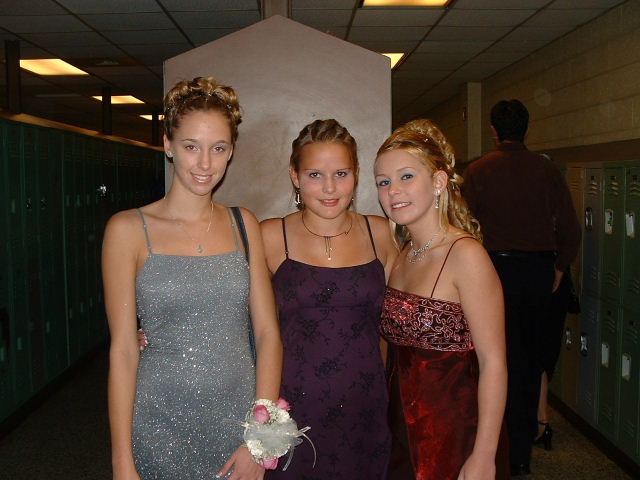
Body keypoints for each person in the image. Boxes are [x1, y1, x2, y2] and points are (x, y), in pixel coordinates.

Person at [103, 77, 283, 480]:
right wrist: (121, 462)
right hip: (157, 423)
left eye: (218, 148)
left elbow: (268, 334)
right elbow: (123, 351)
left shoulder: (244, 224)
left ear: (231, 151)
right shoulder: (127, 230)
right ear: (168, 145)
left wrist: (261, 439)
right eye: (191, 147)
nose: (205, 164)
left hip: (237, 425)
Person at [260, 119, 398, 479]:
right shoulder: (270, 236)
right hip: (292, 412)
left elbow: (405, 313)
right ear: (295, 176)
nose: (330, 188)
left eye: (341, 173)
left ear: (356, 173)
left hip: (366, 407)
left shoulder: (381, 233)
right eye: (314, 175)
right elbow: (236, 313)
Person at [375, 119, 509, 480]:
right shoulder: (404, 253)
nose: (393, 191)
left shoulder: (466, 255)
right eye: (383, 182)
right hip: (403, 432)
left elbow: (494, 363)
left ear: (438, 182)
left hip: (455, 433)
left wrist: (484, 455)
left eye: (406, 177)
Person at [462, 99, 580, 475]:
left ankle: (492, 445)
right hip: (537, 273)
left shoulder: (478, 170)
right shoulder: (547, 170)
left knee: (492, 358)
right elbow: (570, 228)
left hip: (493, 270)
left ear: (494, 130)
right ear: (526, 128)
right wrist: (558, 267)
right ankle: (521, 454)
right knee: (529, 361)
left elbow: (463, 227)